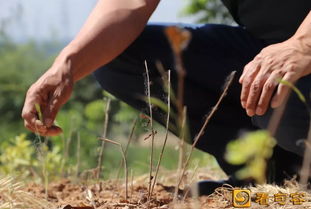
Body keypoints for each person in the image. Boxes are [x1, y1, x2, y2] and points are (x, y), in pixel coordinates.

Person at [22, 0, 311, 195]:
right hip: (267, 51)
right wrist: (67, 66)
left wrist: (302, 46)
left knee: (278, 107)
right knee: (118, 59)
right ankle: (269, 171)